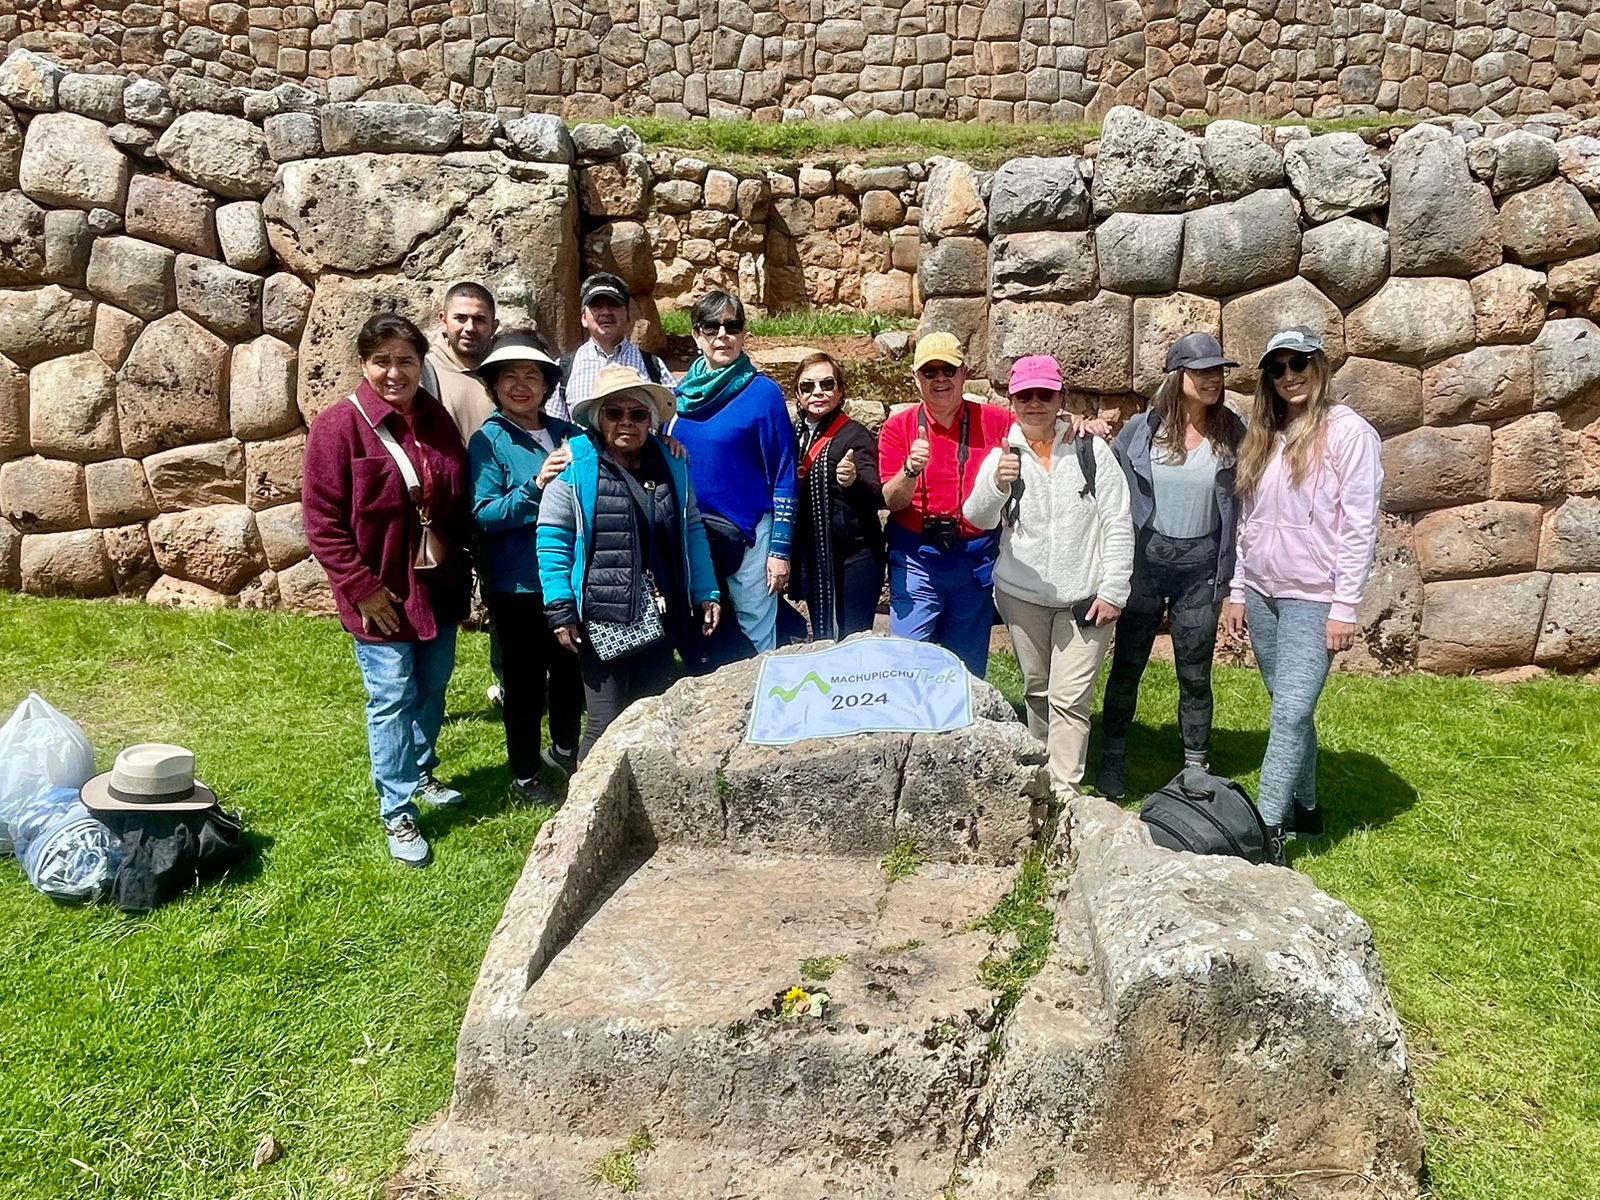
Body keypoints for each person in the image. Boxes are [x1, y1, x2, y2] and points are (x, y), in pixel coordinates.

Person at [303, 311, 473, 868]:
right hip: (382, 595)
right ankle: (397, 810)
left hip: (438, 587)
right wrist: (361, 588)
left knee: (432, 684)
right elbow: (323, 519)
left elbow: (455, 497)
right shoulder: (338, 428)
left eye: (406, 361)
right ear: (363, 364)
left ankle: (421, 773)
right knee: (391, 696)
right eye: (382, 361)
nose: (395, 372)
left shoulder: (437, 421)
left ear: (422, 364)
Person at [1223, 326, 1382, 863]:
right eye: (1278, 367)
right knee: (1290, 708)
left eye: (1299, 364)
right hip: (1264, 593)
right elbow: (1248, 520)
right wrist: (1239, 589)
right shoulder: (1265, 435)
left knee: (1290, 714)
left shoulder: (1349, 433)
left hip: (1314, 599)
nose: (1289, 376)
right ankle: (1309, 807)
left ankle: (1267, 835)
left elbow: (1360, 525)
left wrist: (1344, 606)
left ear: (1319, 367)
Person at [963, 355, 1134, 800]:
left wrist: (1115, 589)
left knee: (1070, 698)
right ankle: (1038, 773)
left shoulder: (1090, 451)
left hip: (1085, 599)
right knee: (1037, 691)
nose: (1035, 403)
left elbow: (1117, 521)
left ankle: (1063, 793)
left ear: (1060, 398)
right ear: (1012, 400)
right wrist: (997, 485)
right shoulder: (1004, 455)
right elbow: (977, 518)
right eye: (1025, 395)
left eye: (1045, 394)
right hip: (1023, 598)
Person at [538, 365, 723, 761]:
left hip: (662, 613)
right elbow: (552, 540)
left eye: (638, 414)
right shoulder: (573, 465)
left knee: (647, 714)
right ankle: (583, 812)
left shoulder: (672, 463)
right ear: (598, 417)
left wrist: (705, 591)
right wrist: (560, 609)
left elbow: (691, 530)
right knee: (604, 722)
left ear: (651, 421)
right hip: (602, 616)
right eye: (614, 413)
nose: (626, 422)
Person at [1098, 332, 1246, 801]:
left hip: (1200, 570)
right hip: (1146, 565)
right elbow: (1107, 485)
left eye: (1218, 371)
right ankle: (1113, 758)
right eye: (1202, 371)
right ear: (1176, 376)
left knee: (1196, 672)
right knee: (1127, 665)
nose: (1213, 380)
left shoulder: (1233, 432)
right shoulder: (1140, 431)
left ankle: (1197, 765)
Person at [468, 330, 585, 802]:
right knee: (523, 683)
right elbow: (483, 515)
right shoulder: (488, 441)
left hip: (567, 576)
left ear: (547, 384)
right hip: (517, 584)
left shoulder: (569, 433)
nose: (521, 385)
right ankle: (524, 773)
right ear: (494, 386)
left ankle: (564, 747)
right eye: (509, 376)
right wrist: (536, 486)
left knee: (571, 670)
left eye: (532, 375)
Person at [667, 291, 796, 660]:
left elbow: (785, 474)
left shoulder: (763, 394)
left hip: (749, 535)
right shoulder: (677, 399)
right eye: (711, 326)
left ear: (743, 335)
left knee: (756, 632)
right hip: (692, 534)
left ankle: (763, 708)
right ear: (696, 335)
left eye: (732, 326)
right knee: (700, 629)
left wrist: (780, 551)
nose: (722, 335)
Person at [878, 331, 1015, 678]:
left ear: (964, 373)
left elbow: (1041, 425)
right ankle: (909, 728)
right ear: (916, 378)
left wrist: (1076, 422)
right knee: (907, 662)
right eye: (930, 372)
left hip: (975, 559)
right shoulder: (898, 428)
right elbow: (892, 502)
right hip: (917, 558)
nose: (940, 379)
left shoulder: (996, 421)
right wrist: (910, 468)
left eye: (948, 371)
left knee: (967, 669)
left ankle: (962, 730)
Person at [787, 353, 886, 641]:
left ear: (840, 389)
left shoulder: (855, 435)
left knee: (853, 640)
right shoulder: (793, 434)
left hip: (855, 558)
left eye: (826, 384)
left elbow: (875, 492)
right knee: (822, 638)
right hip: (815, 555)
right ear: (798, 393)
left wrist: (853, 481)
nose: (817, 392)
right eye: (808, 387)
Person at [547, 272, 674, 422]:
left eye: (614, 304)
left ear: (628, 315)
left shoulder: (654, 367)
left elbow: (670, 419)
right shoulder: (563, 369)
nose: (606, 312)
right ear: (583, 318)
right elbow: (555, 427)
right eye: (596, 306)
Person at [424, 280, 499, 446]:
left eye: (479, 319)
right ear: (443, 321)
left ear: (494, 326)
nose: (470, 327)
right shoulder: (423, 375)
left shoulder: (506, 374)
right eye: (460, 318)